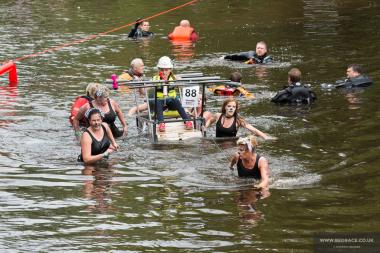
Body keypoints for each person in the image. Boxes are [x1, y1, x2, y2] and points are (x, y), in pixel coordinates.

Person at [150, 56, 193, 132]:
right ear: (158, 70)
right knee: (158, 101)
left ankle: (187, 121)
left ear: (170, 70)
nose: (164, 72)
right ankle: (161, 123)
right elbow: (146, 88)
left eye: (166, 70)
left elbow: (183, 86)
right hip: (159, 104)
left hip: (171, 103)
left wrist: (180, 81)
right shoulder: (155, 79)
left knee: (176, 100)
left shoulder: (174, 78)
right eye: (162, 70)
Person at [205, 98, 275, 140]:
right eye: (229, 106)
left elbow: (254, 130)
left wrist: (265, 137)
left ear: (235, 109)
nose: (231, 108)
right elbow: (210, 120)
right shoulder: (218, 116)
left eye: (233, 107)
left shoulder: (238, 120)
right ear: (225, 107)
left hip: (231, 146)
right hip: (218, 143)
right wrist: (205, 127)